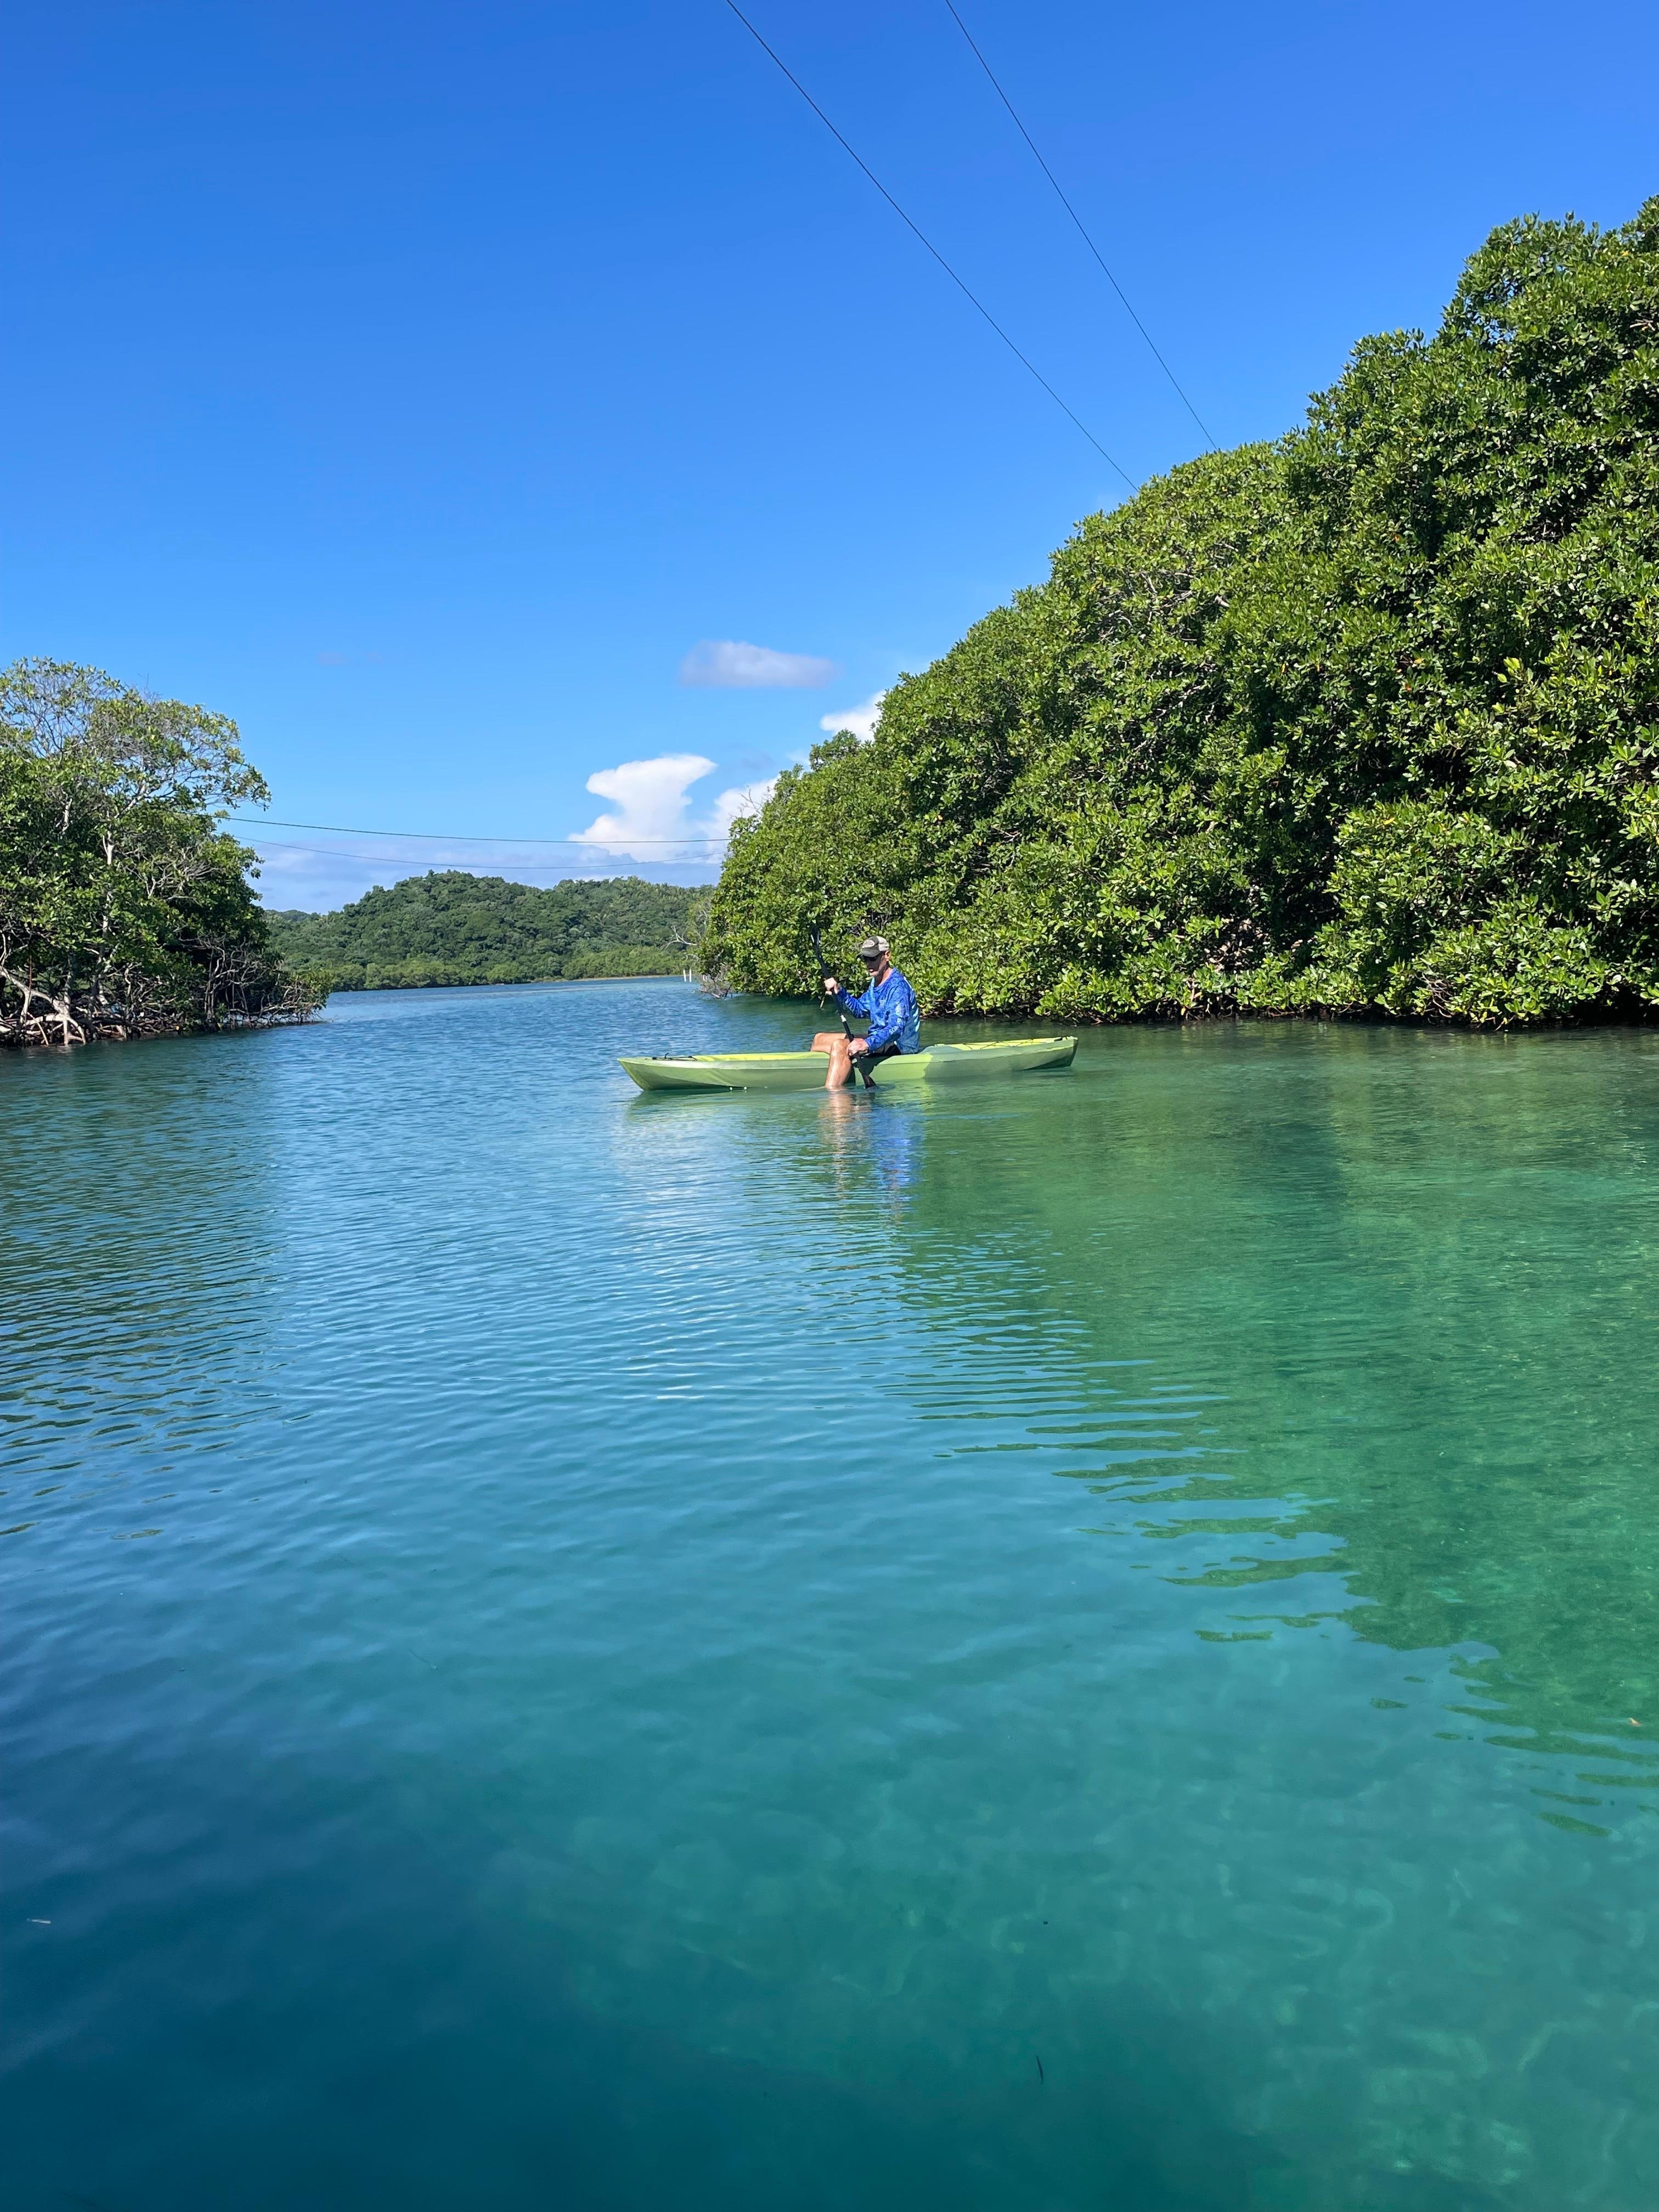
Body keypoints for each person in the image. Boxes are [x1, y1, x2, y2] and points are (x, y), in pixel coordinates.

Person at [814, 936, 921, 1090]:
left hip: (900, 1044)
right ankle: (832, 1070)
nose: (869, 963)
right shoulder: (876, 982)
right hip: (880, 1038)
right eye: (866, 959)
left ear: (887, 955)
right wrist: (840, 992)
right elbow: (859, 1010)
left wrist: (868, 1044)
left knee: (840, 1046)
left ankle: (833, 1097)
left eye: (873, 958)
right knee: (820, 1039)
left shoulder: (898, 988)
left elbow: (897, 1027)